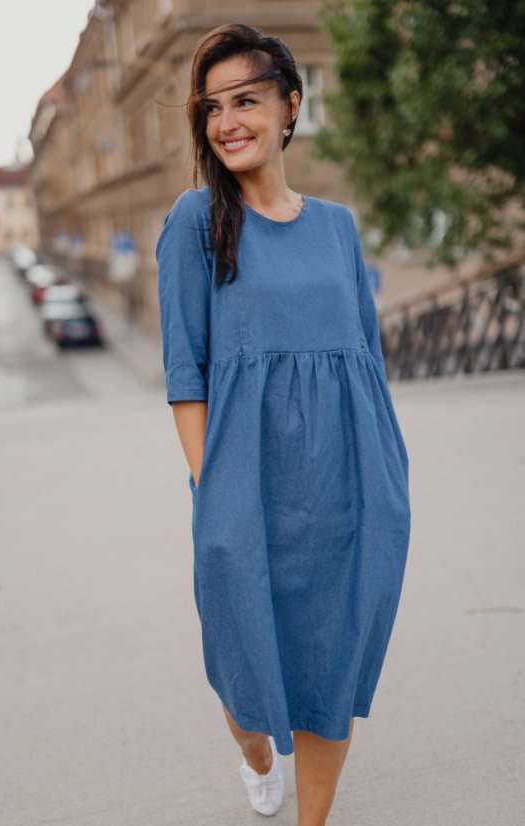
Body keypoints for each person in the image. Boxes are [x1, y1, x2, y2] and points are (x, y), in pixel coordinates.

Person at [156, 22, 411, 826]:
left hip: (351, 479)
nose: (227, 120)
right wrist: (213, 494)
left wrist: (390, 482)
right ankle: (255, 757)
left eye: (247, 101)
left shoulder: (335, 226)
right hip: (245, 483)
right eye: (212, 107)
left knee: (330, 660)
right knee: (241, 675)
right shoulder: (194, 222)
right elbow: (184, 374)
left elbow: (363, 359)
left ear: (290, 107)